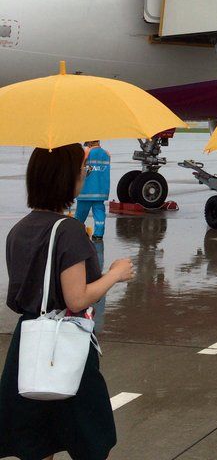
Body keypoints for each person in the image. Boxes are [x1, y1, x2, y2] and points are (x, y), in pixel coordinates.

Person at [0, 144, 134, 460]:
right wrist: (115, 274)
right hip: (64, 342)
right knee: (90, 436)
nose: (85, 174)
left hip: (29, 341)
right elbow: (77, 297)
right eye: (81, 170)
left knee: (35, 438)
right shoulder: (69, 231)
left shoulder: (19, 229)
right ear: (66, 178)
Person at [74, 139, 111, 242]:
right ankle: (98, 234)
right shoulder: (106, 153)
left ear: (89, 142)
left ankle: (77, 231)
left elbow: (79, 165)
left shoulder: (86, 151)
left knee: (80, 215)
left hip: (86, 191)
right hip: (101, 191)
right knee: (99, 213)